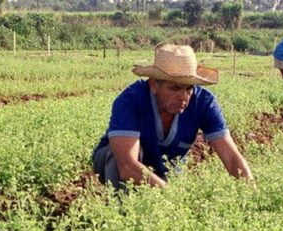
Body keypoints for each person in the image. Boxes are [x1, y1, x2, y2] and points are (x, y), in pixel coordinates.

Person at [92, 43, 253, 190]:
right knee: (118, 156)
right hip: (118, 164)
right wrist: (170, 195)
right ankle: (122, 211)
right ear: (154, 85)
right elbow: (127, 166)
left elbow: (231, 157)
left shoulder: (204, 102)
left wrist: (251, 193)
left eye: (189, 88)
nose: (184, 96)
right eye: (175, 88)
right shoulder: (131, 100)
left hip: (167, 170)